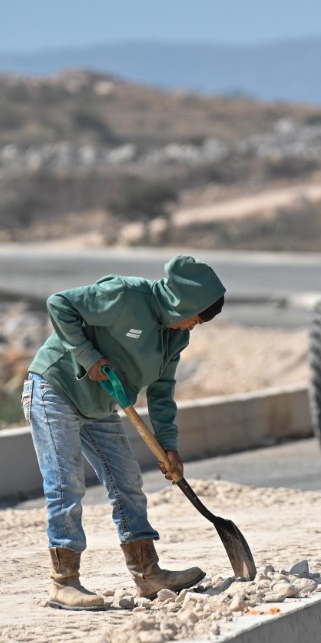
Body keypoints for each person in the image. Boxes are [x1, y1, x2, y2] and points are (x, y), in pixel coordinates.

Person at [23, 255, 227, 610]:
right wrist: (88, 356)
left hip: (101, 405)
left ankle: (148, 574)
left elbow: (162, 395)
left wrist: (169, 447)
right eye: (195, 318)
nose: (193, 327)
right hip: (55, 389)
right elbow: (60, 304)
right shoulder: (126, 295)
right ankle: (64, 582)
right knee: (66, 484)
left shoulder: (173, 339)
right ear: (184, 303)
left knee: (128, 483)